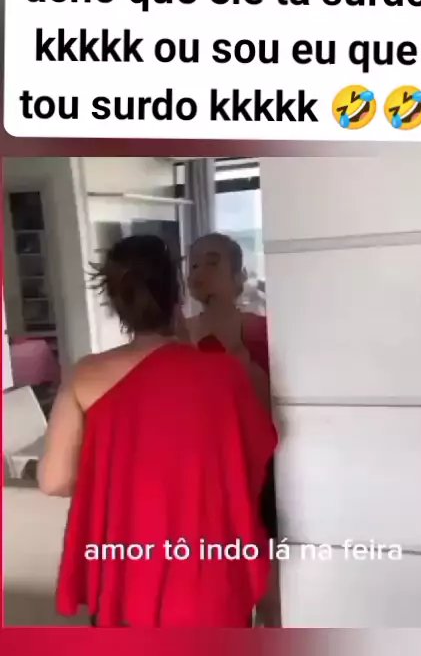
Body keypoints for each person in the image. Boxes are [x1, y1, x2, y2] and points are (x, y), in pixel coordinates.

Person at [38, 235, 277, 628]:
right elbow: (259, 452)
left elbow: (54, 480)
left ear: (116, 302)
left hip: (125, 574)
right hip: (207, 575)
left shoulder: (85, 375)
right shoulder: (224, 373)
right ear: (176, 294)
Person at [186, 233, 280, 626]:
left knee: (271, 591)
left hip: (262, 475)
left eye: (212, 262)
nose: (199, 272)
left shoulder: (266, 331)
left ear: (239, 276)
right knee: (223, 594)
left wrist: (233, 348)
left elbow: (273, 407)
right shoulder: (177, 336)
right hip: (205, 480)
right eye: (192, 264)